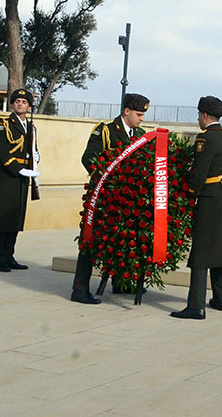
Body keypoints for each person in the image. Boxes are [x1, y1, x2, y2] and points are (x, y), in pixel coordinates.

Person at [70, 92, 149, 304]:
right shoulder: (105, 131)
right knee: (90, 239)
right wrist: (110, 179)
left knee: (122, 238)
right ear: (126, 111)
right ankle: (80, 288)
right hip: (103, 197)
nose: (142, 119)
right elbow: (89, 158)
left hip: (126, 198)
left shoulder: (139, 134)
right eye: (139, 114)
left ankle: (120, 282)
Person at [171, 96, 222, 320]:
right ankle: (219, 299)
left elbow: (199, 174)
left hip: (211, 198)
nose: (198, 119)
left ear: (204, 115)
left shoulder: (205, 140)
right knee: (220, 249)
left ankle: (196, 306)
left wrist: (187, 196)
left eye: (198, 115)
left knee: (202, 251)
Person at [0, 88, 40, 272]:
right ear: (12, 105)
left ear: (29, 107)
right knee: (2, 217)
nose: (20, 104)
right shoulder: (3, 123)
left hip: (24, 176)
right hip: (8, 175)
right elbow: (2, 151)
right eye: (17, 101)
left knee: (16, 217)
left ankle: (10, 256)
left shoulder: (31, 126)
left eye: (24, 102)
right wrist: (18, 169)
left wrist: (35, 159)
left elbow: (34, 149)